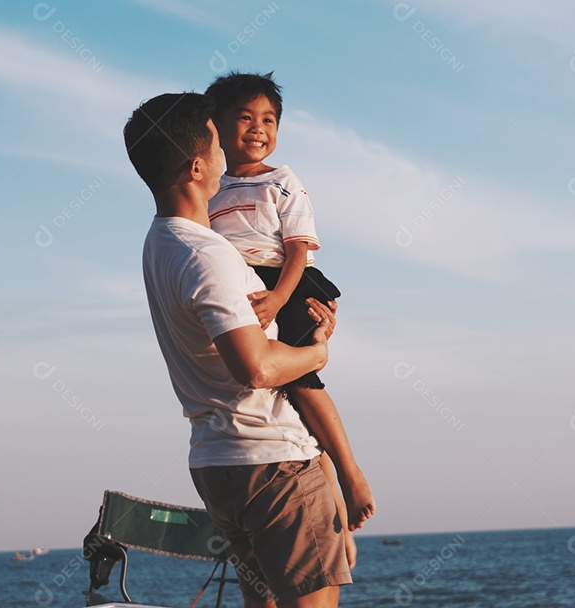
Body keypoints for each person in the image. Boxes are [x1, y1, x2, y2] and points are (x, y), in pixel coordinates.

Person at [126, 92, 350, 607]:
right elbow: (257, 367)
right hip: (273, 464)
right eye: (216, 142)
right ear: (198, 164)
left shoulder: (159, 242)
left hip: (217, 465)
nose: (230, 154)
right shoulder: (207, 255)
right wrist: (317, 352)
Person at [204, 72, 375, 533]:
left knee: (299, 381)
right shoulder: (211, 191)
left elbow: (298, 249)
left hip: (286, 282)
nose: (258, 128)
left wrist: (278, 299)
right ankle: (327, 484)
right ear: (214, 126)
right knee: (276, 397)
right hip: (245, 290)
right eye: (244, 118)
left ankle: (350, 471)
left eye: (268, 119)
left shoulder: (282, 181)